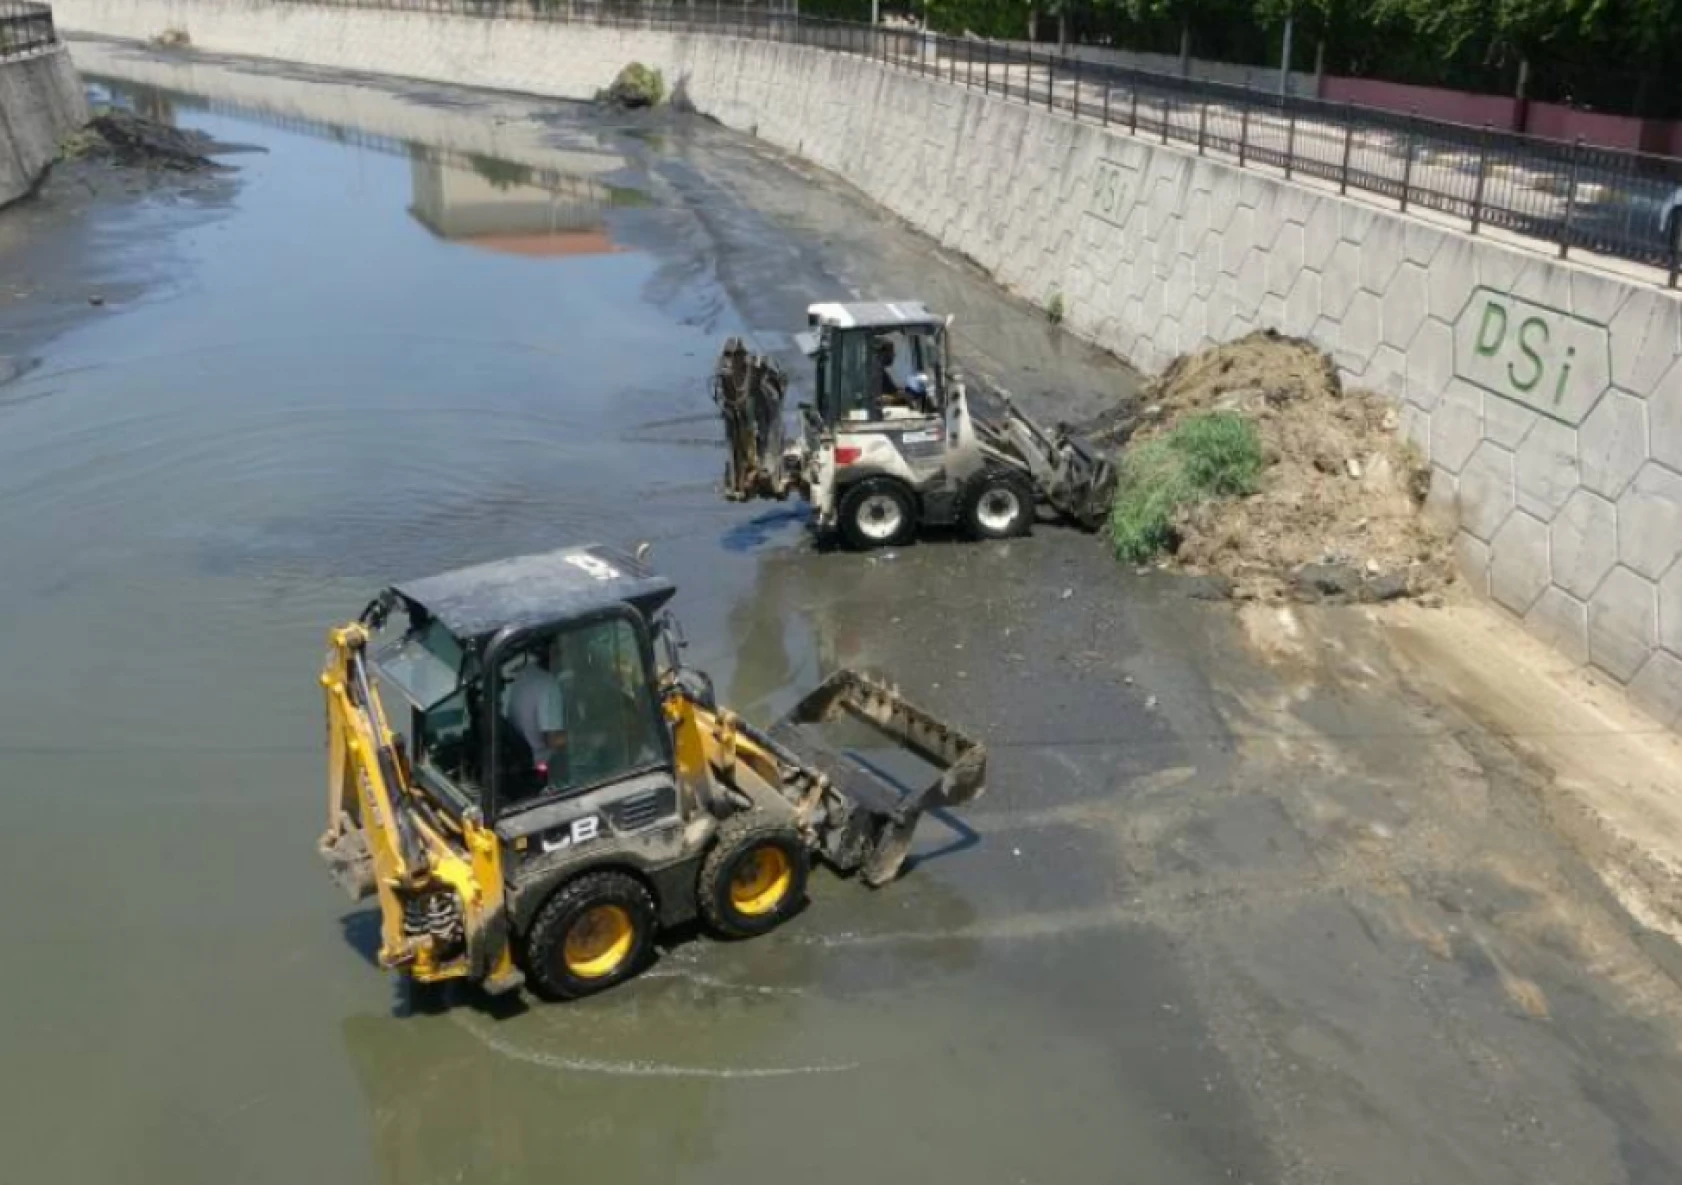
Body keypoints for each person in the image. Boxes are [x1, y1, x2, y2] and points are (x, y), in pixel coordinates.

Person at [506, 645, 567, 780]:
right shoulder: (549, 685)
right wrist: (583, 736)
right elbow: (553, 741)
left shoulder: (526, 672)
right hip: (542, 764)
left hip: (520, 751)